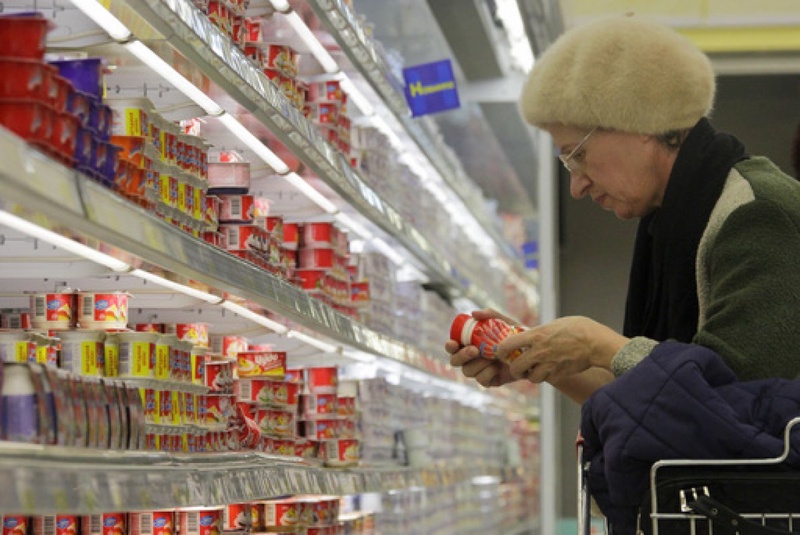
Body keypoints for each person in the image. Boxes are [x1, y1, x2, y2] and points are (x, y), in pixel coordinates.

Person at [445, 15, 800, 405]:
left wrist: (601, 345)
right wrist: (535, 358)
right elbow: (651, 400)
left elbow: (727, 402)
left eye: (577, 156)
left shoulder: (756, 214)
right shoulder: (673, 220)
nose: (577, 186)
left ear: (644, 123)